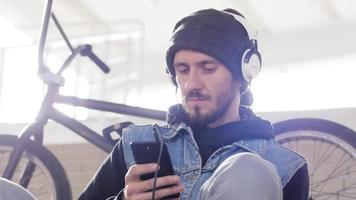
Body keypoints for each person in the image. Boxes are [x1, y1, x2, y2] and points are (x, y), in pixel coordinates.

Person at [79, 8, 309, 200]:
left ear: (243, 74)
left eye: (208, 69)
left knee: (249, 170)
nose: (191, 84)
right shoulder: (136, 145)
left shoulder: (286, 166)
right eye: (182, 70)